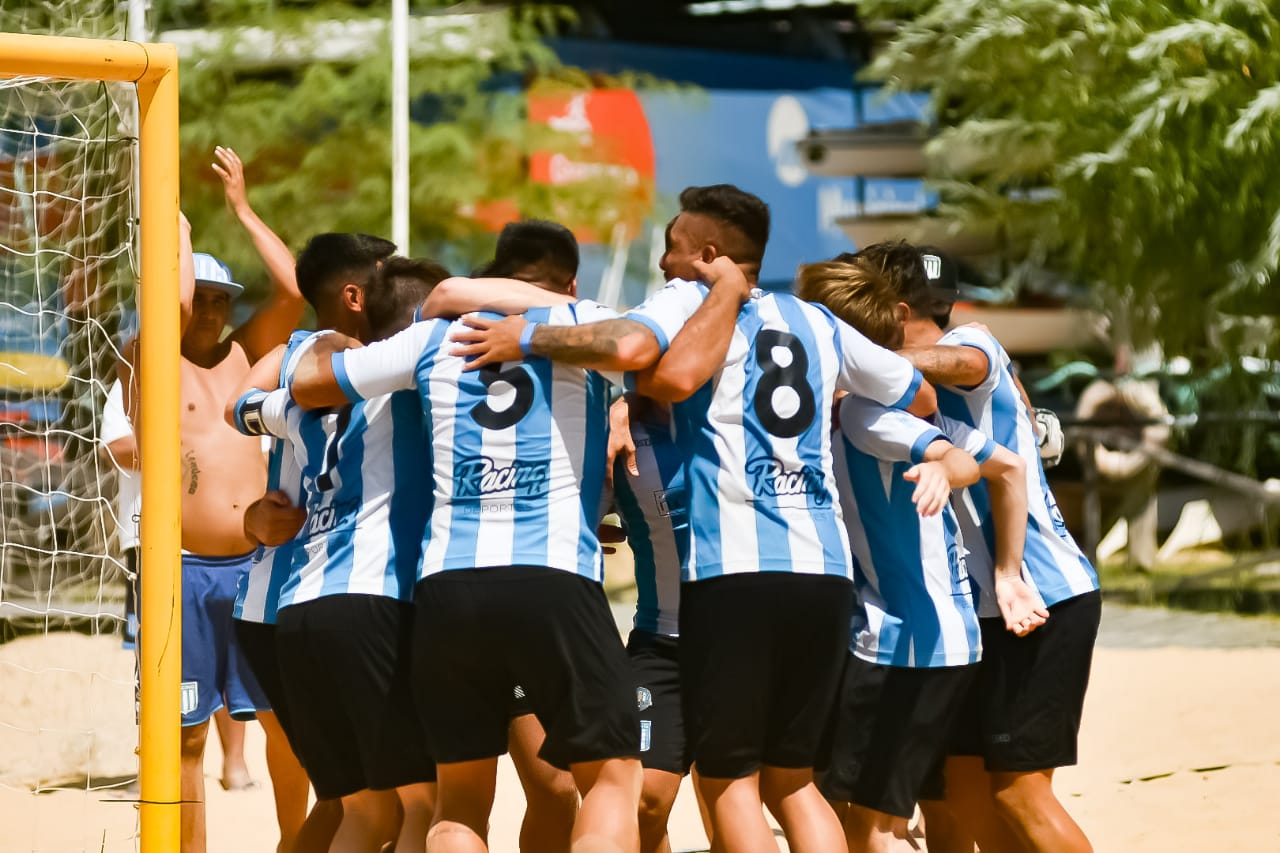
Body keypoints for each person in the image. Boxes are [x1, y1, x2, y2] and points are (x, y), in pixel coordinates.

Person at [449, 185, 936, 853]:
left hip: (732, 580)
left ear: (709, 256)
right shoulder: (815, 325)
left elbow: (652, 362)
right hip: (793, 585)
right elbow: (922, 391)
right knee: (774, 785)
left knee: (730, 782)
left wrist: (525, 337)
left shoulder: (693, 300)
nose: (664, 264)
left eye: (673, 250)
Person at [285, 258, 644, 853]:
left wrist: (256, 405)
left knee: (460, 801)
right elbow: (642, 347)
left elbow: (308, 384)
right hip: (550, 573)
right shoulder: (582, 320)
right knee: (609, 778)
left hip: (448, 587)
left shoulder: (431, 336)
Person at [861, 241, 1101, 853]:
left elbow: (964, 363)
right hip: (978, 609)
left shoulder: (975, 346)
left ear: (889, 305)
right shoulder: (909, 382)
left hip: (1039, 593)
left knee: (1017, 794)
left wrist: (849, 356)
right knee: (958, 793)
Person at [795, 258, 1041, 853]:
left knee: (869, 823)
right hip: (934, 641)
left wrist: (943, 468)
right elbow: (1005, 464)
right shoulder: (854, 412)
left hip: (905, 646)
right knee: (916, 811)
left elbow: (967, 461)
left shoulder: (863, 414)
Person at [123, 146, 307, 853]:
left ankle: (299, 841)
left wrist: (242, 208)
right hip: (181, 568)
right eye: (201, 295)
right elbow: (169, 303)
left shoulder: (245, 355)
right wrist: (181, 232)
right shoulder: (149, 355)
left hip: (258, 569)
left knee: (285, 722)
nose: (211, 309)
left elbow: (292, 290)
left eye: (222, 298)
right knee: (185, 736)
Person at [230, 255, 447, 852]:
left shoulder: (305, 392)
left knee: (362, 811)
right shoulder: (415, 381)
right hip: (370, 601)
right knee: (421, 805)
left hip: (296, 609)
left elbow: (241, 408)